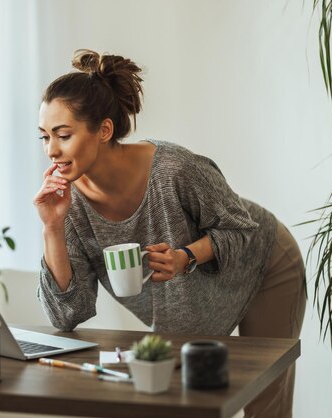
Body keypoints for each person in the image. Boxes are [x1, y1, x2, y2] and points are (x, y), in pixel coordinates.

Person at [33, 49, 306, 418]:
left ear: (104, 131)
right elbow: (67, 314)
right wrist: (52, 226)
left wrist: (186, 256)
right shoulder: (68, 204)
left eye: (63, 135)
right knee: (181, 402)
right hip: (191, 309)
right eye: (44, 137)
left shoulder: (173, 169)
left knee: (264, 405)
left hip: (267, 263)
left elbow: (241, 229)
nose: (51, 150)